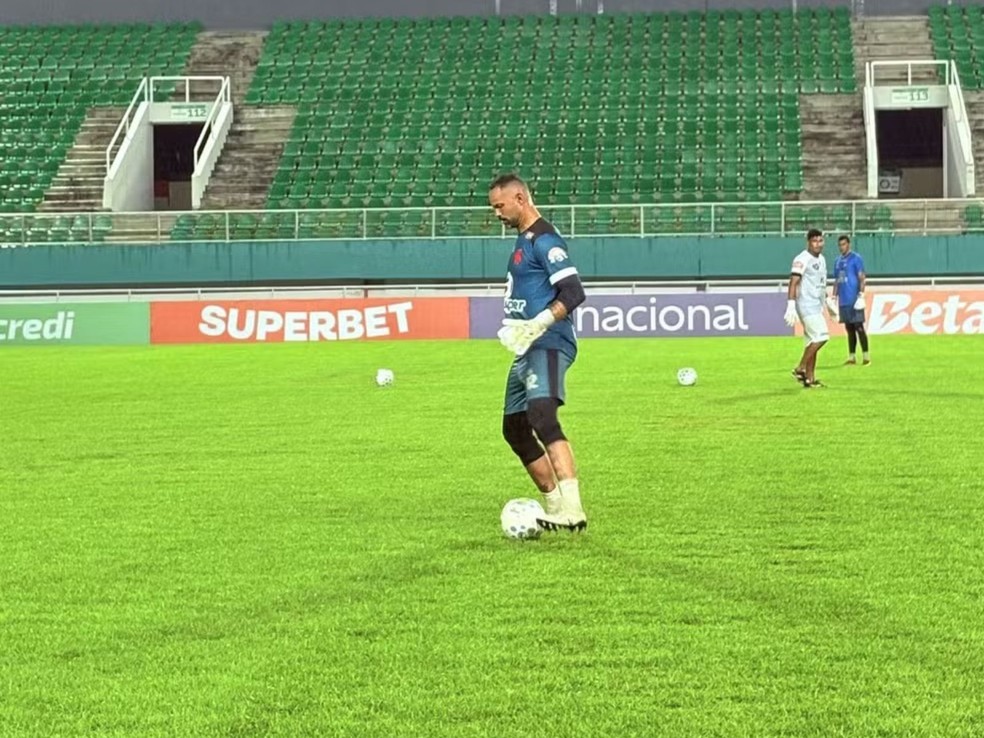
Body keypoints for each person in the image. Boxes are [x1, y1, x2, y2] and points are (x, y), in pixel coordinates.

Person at [488, 173, 588, 532]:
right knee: (514, 429)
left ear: (519, 198)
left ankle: (573, 510)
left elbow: (574, 293)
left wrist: (539, 323)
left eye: (499, 206)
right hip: (525, 347)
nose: (496, 214)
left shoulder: (546, 241)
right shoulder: (525, 238)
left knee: (543, 417)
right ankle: (554, 505)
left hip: (548, 341)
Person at [784, 228, 838, 388]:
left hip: (816, 304)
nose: (818, 244)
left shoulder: (821, 259)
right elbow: (793, 282)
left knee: (811, 341)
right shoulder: (802, 259)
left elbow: (820, 284)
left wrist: (827, 302)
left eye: (820, 241)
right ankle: (800, 367)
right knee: (822, 337)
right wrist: (791, 304)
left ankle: (810, 378)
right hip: (806, 304)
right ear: (808, 242)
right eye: (814, 241)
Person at [832, 234, 870, 365]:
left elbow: (861, 277)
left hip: (854, 300)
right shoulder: (837, 261)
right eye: (840, 245)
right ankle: (852, 357)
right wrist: (833, 296)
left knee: (859, 326)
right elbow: (837, 280)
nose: (841, 247)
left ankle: (866, 356)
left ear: (849, 244)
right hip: (844, 301)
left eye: (843, 244)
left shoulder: (856, 258)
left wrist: (861, 294)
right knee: (849, 328)